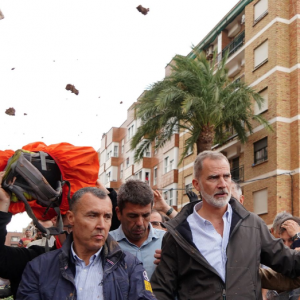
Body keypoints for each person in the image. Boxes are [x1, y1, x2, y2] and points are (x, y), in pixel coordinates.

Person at [151, 150, 300, 300]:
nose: (222, 184)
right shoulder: (178, 234)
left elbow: (290, 262)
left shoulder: (252, 225)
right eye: (214, 178)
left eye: (226, 176)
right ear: (197, 184)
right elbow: (161, 290)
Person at [17, 187, 156, 300]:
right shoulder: (39, 268)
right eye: (92, 215)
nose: (101, 225)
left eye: (107, 217)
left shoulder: (130, 266)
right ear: (71, 218)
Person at [110, 180, 166, 279]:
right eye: (133, 216)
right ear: (118, 213)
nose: (140, 223)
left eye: (145, 215)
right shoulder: (105, 244)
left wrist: (174, 266)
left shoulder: (167, 241)